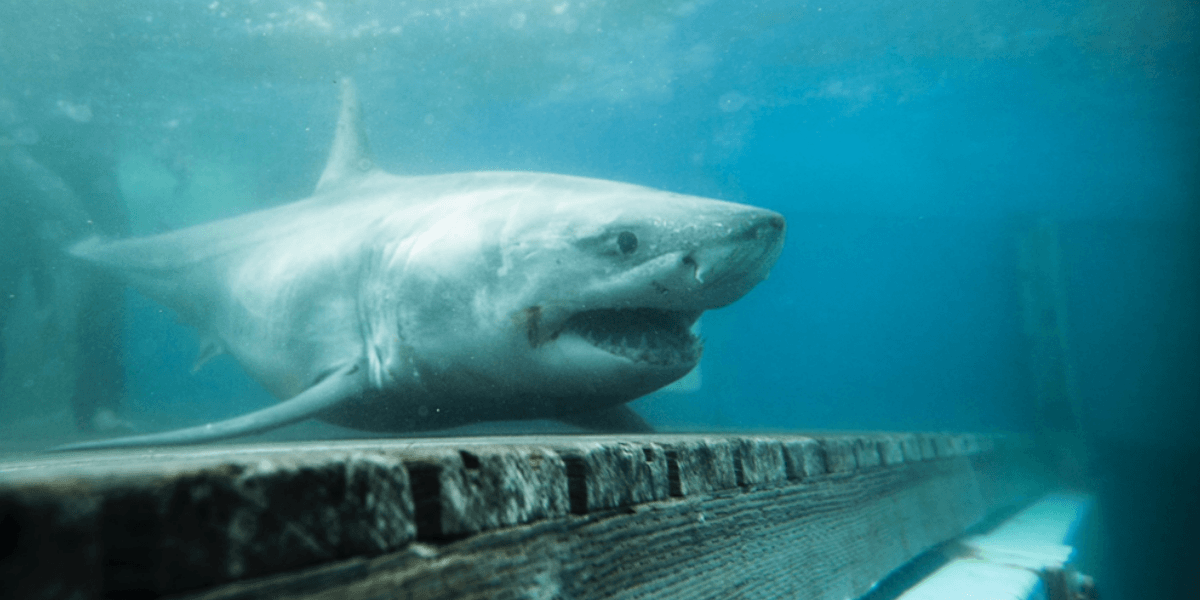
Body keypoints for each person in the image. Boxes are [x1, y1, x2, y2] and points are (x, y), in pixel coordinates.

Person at [0, 94, 131, 433]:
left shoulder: (74, 137)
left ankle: (99, 409)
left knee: (100, 316)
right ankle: (98, 409)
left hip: (79, 229)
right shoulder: (26, 139)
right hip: (33, 226)